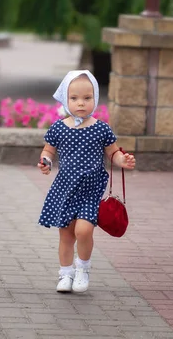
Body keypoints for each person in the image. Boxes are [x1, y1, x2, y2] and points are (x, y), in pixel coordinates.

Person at [37, 70, 136, 293]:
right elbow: (48, 151)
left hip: (91, 189)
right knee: (66, 234)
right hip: (65, 189)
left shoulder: (101, 129)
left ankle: (83, 269)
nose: (81, 103)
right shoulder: (59, 128)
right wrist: (45, 161)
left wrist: (123, 160)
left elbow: (113, 153)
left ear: (95, 98)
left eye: (87, 98)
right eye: (74, 98)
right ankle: (65, 274)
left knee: (83, 231)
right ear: (65, 99)